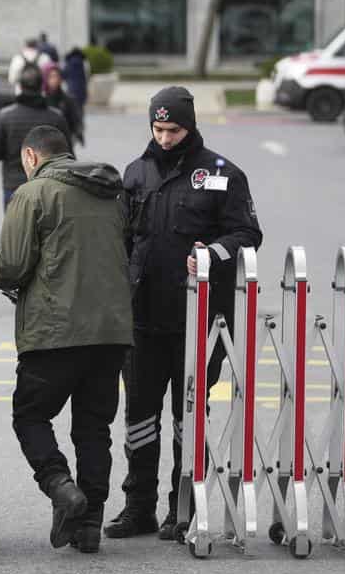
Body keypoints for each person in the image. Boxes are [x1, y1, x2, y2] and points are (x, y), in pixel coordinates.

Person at [105, 86, 263, 541]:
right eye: (158, 129)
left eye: (173, 130)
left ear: (189, 126)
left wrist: (213, 251)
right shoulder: (135, 174)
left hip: (200, 322)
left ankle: (185, 509)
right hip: (141, 319)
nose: (165, 137)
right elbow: (120, 240)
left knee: (188, 418)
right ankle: (138, 507)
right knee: (138, 417)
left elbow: (248, 234)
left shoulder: (221, 174)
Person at [0, 125, 132, 555]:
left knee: (29, 415)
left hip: (54, 332)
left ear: (31, 157)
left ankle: (60, 486)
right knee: (94, 427)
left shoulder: (32, 194)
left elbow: (12, 265)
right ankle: (90, 524)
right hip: (110, 331)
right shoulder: (111, 192)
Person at [0, 64, 74, 209]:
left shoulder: (6, 116)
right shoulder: (56, 117)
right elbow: (68, 155)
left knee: (15, 230)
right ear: (42, 86)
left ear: (20, 86)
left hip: (14, 185)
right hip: (49, 185)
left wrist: (11, 154)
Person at [43, 66, 85, 147]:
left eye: (56, 76)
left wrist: (78, 133)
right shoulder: (43, 99)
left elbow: (76, 119)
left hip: (65, 139)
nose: (54, 80)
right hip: (46, 140)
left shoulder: (68, 100)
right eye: (51, 77)